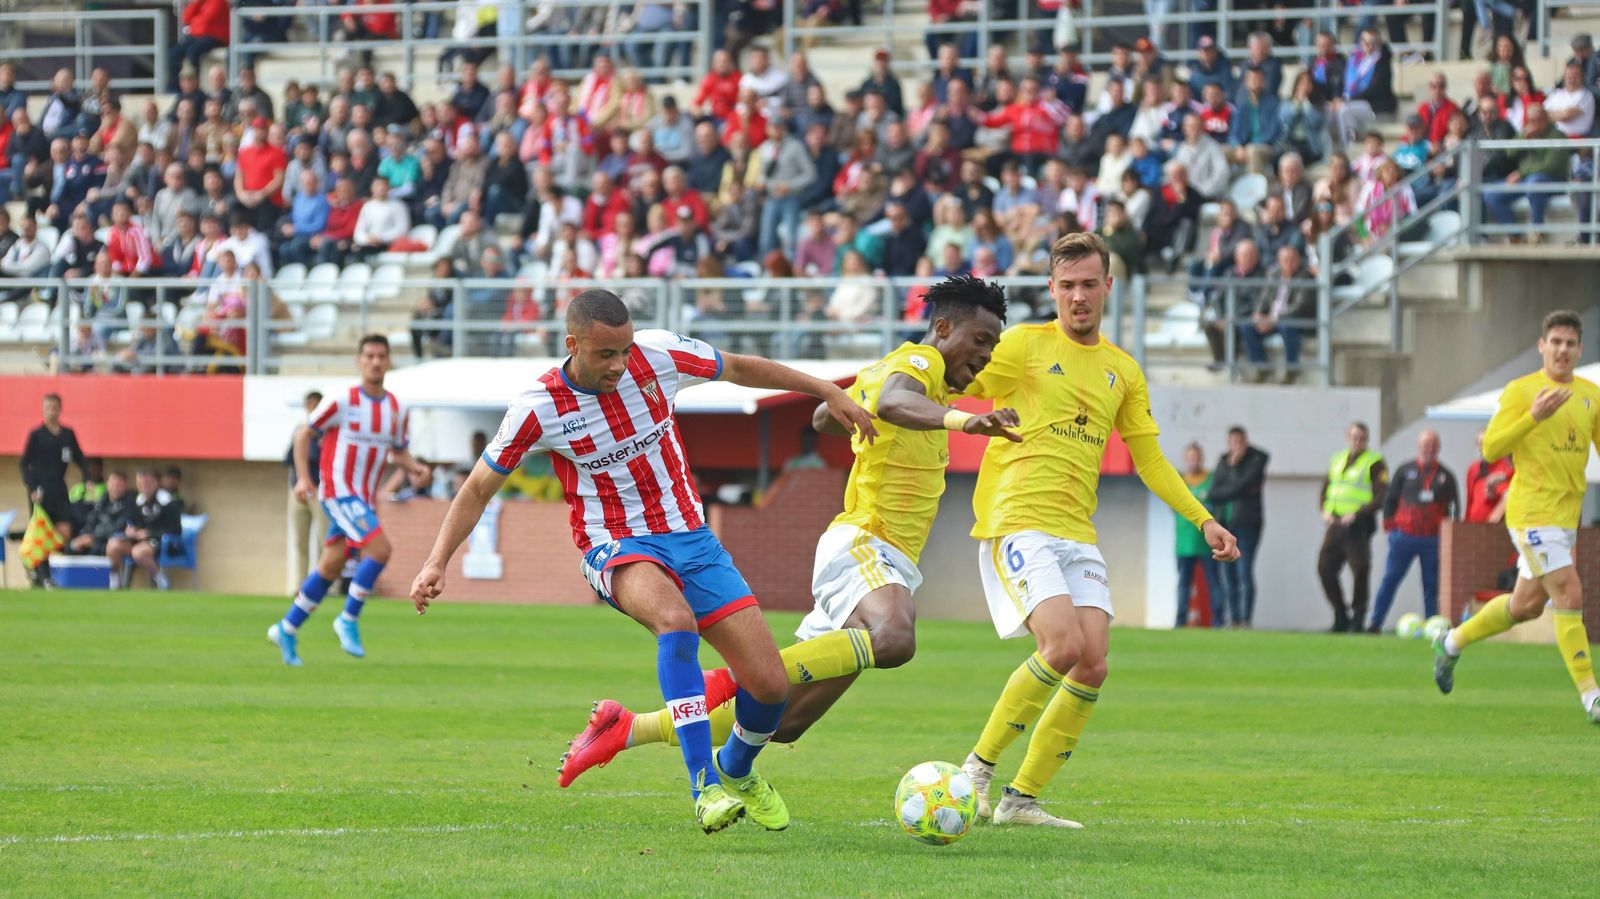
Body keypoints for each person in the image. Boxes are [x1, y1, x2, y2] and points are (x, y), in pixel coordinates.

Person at [409, 289, 877, 834]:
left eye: (625, 350)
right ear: (573, 345)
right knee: (674, 622)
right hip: (614, 543)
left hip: (691, 537)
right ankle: (703, 786)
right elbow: (477, 489)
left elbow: (740, 368)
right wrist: (437, 560)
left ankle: (736, 768)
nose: (620, 364)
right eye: (605, 354)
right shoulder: (539, 408)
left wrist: (825, 389)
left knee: (770, 686)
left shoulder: (657, 356)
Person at [554, 276, 1020, 788]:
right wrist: (962, 423)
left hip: (887, 559)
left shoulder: (894, 372)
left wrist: (869, 401)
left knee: (784, 721)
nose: (986, 355)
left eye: (994, 345)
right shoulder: (920, 364)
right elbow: (892, 404)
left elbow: (825, 416)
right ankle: (735, 680)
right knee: (894, 639)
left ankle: (626, 730)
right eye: (980, 340)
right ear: (942, 327)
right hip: (867, 540)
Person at [957, 233, 1239, 828]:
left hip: (1076, 532)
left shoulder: (1123, 371)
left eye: (1089, 284)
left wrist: (1205, 519)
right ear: (1052, 290)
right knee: (1061, 647)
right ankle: (975, 771)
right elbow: (954, 375)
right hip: (1018, 519)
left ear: (1108, 287)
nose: (1078, 297)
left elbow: (1151, 462)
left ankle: (1021, 799)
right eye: (1067, 287)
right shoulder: (1022, 347)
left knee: (1092, 663)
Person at [1432, 311, 1600, 725]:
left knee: (1525, 606)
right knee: (1569, 595)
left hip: (1565, 518)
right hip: (1530, 514)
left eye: (1570, 343)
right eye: (1555, 342)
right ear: (1542, 346)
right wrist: (1534, 418)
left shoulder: (1590, 395)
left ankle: (1451, 642)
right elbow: (1490, 449)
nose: (1562, 350)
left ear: (1579, 349)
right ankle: (1592, 698)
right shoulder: (1521, 391)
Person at [271, 336, 428, 666]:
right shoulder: (342, 399)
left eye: (381, 356)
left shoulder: (397, 409)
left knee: (331, 564)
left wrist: (414, 467)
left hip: (364, 499)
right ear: (359, 361)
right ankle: (348, 619)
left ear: (388, 361)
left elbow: (396, 450)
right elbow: (304, 433)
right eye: (369, 355)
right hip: (338, 492)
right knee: (381, 549)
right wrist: (303, 478)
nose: (375, 361)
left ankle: (286, 628)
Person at [1369, 430, 1458, 631]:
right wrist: (1390, 529)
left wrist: (1450, 532)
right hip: (1404, 537)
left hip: (1432, 539)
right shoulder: (1404, 470)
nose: (1429, 449)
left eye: (1433, 445)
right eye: (1426, 445)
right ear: (1419, 447)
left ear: (1438, 448)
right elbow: (1390, 499)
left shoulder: (1446, 476)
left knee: (1431, 585)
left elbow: (1453, 507)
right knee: (1390, 579)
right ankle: (1375, 623)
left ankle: (1432, 626)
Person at [1317, 421, 1388, 633]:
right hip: (1336, 523)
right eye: (1354, 437)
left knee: (1360, 569)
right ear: (1347, 437)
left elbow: (1381, 496)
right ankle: (1340, 613)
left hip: (1358, 524)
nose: (1357, 441)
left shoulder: (1374, 462)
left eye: (1362, 438)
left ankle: (1358, 616)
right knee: (1325, 569)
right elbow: (1326, 488)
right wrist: (1324, 510)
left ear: (1366, 440)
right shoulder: (1338, 459)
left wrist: (1357, 514)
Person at [19, 393, 90, 587]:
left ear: (60, 409)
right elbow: (25, 464)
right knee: (42, 532)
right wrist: (32, 487)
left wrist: (87, 478)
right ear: (43, 409)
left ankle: (45, 568)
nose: (51, 410)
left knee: (64, 530)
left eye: (55, 407)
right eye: (48, 407)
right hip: (40, 490)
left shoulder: (67, 434)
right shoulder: (36, 435)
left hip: (59, 487)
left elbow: (80, 458)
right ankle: (43, 575)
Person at [1208, 426, 1268, 627]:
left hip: (1247, 524)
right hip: (1226, 525)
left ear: (1246, 441)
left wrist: (1235, 468)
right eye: (1233, 442)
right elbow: (1213, 493)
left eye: (1240, 442)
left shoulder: (1256, 459)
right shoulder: (1223, 460)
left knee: (1244, 571)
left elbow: (1243, 484)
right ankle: (1233, 618)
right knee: (1229, 573)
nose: (1237, 446)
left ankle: (1245, 619)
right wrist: (1234, 488)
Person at [105, 468, 180, 590]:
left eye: (148, 483)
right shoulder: (138, 501)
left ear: (156, 483)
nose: (144, 487)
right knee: (113, 545)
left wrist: (149, 533)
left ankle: (162, 581)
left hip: (162, 542)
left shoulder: (167, 502)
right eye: (140, 484)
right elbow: (132, 522)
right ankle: (114, 584)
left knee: (138, 552)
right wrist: (131, 530)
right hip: (139, 541)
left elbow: (175, 529)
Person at [1174, 442, 1222, 628]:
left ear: (1201, 459)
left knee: (1214, 583)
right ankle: (1180, 621)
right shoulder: (1179, 482)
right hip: (1184, 543)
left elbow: (1219, 508)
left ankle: (1218, 621)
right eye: (1190, 457)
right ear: (1186, 460)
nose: (1193, 461)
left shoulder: (1211, 480)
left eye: (1196, 457)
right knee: (1183, 584)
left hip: (1207, 543)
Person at [285, 390, 325, 590]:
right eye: (311, 405)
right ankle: (300, 585)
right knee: (300, 541)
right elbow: (288, 459)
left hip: (320, 489)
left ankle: (323, 585)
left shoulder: (326, 432)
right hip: (298, 488)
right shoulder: (300, 430)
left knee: (324, 540)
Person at [1463, 428, 1513, 523]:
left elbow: (1511, 493)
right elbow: (1469, 500)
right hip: (1474, 525)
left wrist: (1495, 495)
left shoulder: (1506, 466)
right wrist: (1466, 522)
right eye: (1479, 444)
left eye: (1486, 444)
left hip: (1496, 526)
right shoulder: (1473, 468)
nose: (1481, 448)